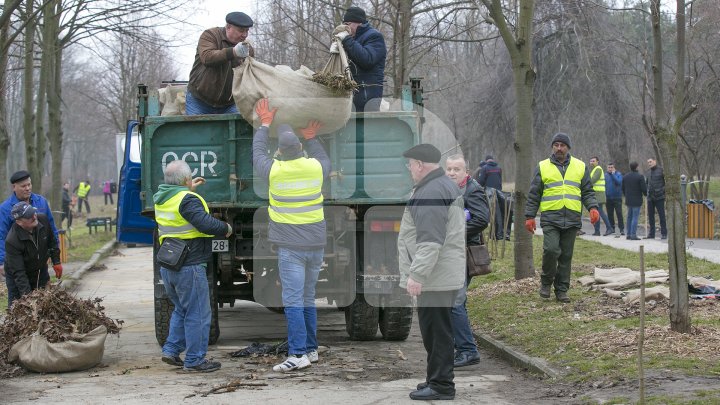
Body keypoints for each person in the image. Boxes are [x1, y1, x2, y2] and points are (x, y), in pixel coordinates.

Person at [251, 98, 330, 372]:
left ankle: (297, 354)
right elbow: (322, 157)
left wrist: (264, 124)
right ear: (299, 148)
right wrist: (311, 138)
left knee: (294, 300)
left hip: (291, 248)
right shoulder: (316, 168)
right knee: (308, 297)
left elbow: (257, 152)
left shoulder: (275, 171)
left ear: (281, 153)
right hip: (316, 245)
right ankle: (310, 348)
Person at [398, 144, 465, 400]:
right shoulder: (441, 186)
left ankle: (442, 386)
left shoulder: (432, 191)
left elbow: (430, 242)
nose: (409, 170)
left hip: (435, 276)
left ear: (419, 165)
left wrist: (417, 275)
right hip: (441, 274)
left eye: (410, 165)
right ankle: (435, 379)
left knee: (437, 334)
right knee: (436, 332)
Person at [153, 160, 233, 373]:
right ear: (186, 180)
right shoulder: (187, 200)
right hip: (190, 264)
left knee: (182, 309)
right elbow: (205, 223)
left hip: (170, 265)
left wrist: (187, 188)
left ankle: (171, 350)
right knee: (198, 314)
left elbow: (181, 209)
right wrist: (226, 228)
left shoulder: (162, 198)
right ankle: (195, 360)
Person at [524, 133, 599, 303]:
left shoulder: (580, 166)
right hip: (550, 218)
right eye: (556, 145)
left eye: (562, 145)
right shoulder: (543, 166)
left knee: (566, 256)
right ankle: (545, 283)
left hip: (572, 218)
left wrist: (593, 207)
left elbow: (587, 190)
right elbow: (535, 193)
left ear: (568, 148)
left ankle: (562, 290)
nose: (559, 148)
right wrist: (530, 216)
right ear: (552, 147)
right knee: (551, 250)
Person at [444, 154, 489, 368]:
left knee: (455, 301)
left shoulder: (473, 189)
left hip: (464, 252)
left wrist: (455, 231)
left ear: (466, 171)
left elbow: (482, 219)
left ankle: (468, 350)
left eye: (456, 169)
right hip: (451, 253)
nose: (452, 172)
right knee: (455, 301)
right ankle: (460, 347)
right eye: (449, 169)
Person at [186, 11, 254, 115]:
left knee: (239, 130)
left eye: (247, 31)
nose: (244, 35)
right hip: (199, 100)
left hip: (230, 104)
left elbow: (250, 74)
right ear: (228, 27)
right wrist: (233, 52)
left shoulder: (246, 48)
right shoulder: (210, 35)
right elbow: (207, 58)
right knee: (197, 131)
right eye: (241, 30)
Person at [0, 170, 58, 282]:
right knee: (20, 295)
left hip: (40, 262)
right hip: (17, 263)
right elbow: (1, 236)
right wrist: (2, 261)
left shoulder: (41, 202)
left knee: (41, 295)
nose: (28, 188)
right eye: (23, 186)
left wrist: (56, 258)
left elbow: (51, 229)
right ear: (14, 187)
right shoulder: (5, 209)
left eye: (29, 184)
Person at [4, 202, 62, 308]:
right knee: (19, 309)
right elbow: (19, 274)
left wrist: (56, 261)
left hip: (40, 269)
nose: (33, 216)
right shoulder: (12, 241)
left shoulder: (43, 219)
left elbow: (52, 242)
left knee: (46, 304)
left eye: (33, 212)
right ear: (19, 222)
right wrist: (28, 299)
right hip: (18, 277)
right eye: (28, 216)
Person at [331, 6, 386, 112]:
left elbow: (367, 60)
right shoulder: (352, 38)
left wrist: (346, 40)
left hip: (367, 98)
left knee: (367, 127)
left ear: (358, 22)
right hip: (352, 97)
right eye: (344, 24)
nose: (345, 27)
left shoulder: (374, 36)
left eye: (348, 24)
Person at [478, 155, 510, 240]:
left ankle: (497, 234)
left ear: (486, 160)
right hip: (499, 192)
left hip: (490, 192)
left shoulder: (484, 168)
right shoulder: (499, 168)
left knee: (494, 214)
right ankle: (500, 233)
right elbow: (500, 180)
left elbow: (480, 181)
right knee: (499, 213)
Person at [622, 162, 647, 240]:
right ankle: (633, 234)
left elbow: (623, 188)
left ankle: (628, 234)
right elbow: (644, 189)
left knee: (629, 217)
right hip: (637, 199)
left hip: (628, 199)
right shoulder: (640, 176)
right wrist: (646, 194)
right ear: (636, 167)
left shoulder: (625, 176)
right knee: (635, 217)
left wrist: (626, 195)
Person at [589, 157, 613, 236]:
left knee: (600, 212)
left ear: (597, 162)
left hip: (599, 194)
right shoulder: (594, 169)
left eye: (593, 161)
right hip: (596, 193)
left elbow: (592, 180)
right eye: (591, 161)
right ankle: (597, 231)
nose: (592, 162)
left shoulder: (598, 169)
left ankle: (609, 228)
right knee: (597, 212)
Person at [645, 158, 667, 239]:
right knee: (651, 216)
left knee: (662, 216)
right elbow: (646, 183)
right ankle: (652, 233)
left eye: (650, 162)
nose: (649, 163)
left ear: (655, 161)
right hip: (650, 197)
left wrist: (662, 191)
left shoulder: (661, 170)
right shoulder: (648, 172)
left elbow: (666, 183)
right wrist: (647, 192)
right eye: (648, 162)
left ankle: (664, 233)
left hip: (659, 197)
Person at [605, 163, 624, 236]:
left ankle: (621, 229)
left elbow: (619, 182)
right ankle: (612, 228)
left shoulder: (618, 174)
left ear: (614, 168)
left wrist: (613, 174)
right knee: (610, 214)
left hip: (617, 197)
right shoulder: (605, 175)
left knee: (619, 213)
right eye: (609, 167)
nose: (610, 169)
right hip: (608, 198)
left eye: (611, 167)